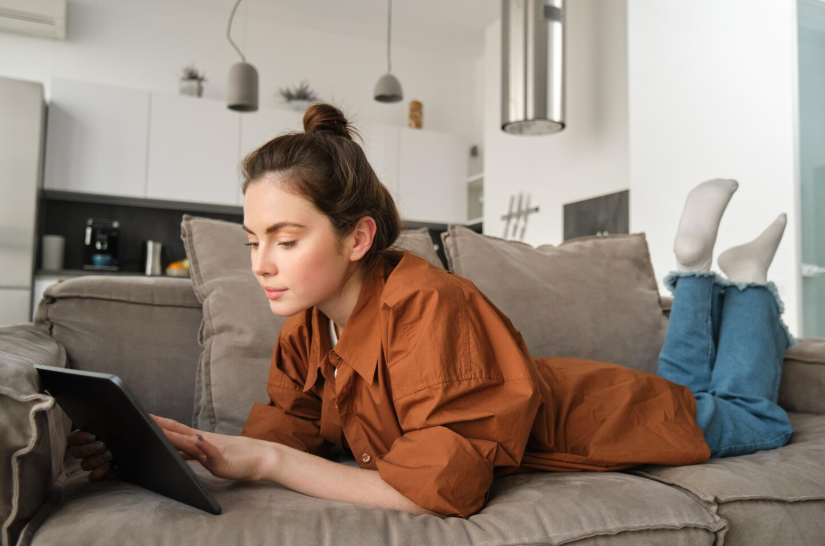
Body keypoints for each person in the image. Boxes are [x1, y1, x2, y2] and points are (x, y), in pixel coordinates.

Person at [67, 104, 795, 519]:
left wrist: (269, 461)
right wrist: (185, 449)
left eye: (285, 240)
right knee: (688, 388)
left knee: (751, 417)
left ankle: (745, 281)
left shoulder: (426, 304)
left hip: (606, 415)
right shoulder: (306, 332)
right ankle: (698, 271)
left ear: (357, 238)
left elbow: (442, 489)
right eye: (254, 241)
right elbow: (287, 434)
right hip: (585, 390)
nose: (260, 263)